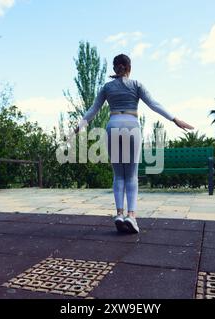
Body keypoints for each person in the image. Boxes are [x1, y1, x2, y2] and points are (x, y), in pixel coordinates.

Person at [73, 54, 194, 234]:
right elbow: (154, 104)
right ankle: (131, 216)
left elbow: (94, 109)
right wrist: (175, 119)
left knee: (118, 174)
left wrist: (79, 126)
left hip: (113, 125)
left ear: (115, 68)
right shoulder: (136, 85)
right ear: (129, 67)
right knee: (131, 175)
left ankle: (119, 214)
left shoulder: (107, 87)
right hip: (131, 124)